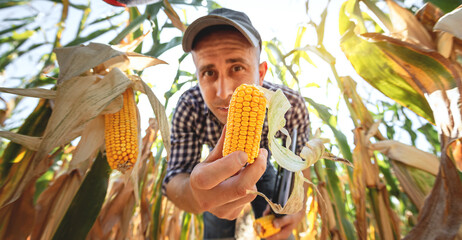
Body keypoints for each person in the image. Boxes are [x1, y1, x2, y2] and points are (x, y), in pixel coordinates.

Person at [163, 8, 311, 240]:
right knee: (216, 228)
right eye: (209, 72)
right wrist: (197, 193)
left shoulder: (289, 105)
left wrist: (296, 206)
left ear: (261, 74)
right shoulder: (189, 106)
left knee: (280, 223)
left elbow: (300, 163)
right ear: (197, 77)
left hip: (263, 166)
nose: (224, 92)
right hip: (215, 173)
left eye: (237, 68)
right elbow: (175, 177)